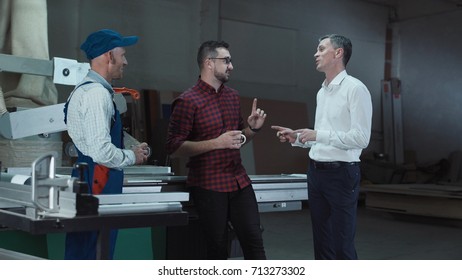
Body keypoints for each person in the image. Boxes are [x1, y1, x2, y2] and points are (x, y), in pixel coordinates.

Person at [272, 34, 372, 260]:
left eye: (321, 49)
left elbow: (361, 138)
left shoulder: (355, 89)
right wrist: (298, 138)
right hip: (316, 172)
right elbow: (326, 137)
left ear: (338, 53)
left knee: (341, 244)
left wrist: (318, 134)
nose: (315, 54)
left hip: (342, 174)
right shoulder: (322, 91)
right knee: (322, 243)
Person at [165, 40, 267, 260]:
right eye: (226, 61)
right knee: (217, 250)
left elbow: (237, 138)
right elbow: (173, 148)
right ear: (209, 63)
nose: (231, 66)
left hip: (239, 181)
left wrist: (252, 129)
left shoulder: (232, 96)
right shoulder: (187, 101)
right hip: (208, 185)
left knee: (254, 243)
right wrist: (216, 143)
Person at [63, 29, 149, 259]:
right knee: (95, 253)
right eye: (123, 55)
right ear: (109, 56)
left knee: (83, 251)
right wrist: (133, 157)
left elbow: (95, 140)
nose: (125, 61)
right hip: (98, 180)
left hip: (89, 177)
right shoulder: (96, 94)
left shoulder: (85, 91)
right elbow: (101, 151)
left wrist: (129, 147)